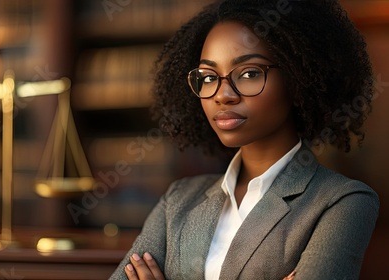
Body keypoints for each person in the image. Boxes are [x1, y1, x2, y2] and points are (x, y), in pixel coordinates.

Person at [110, 0, 379, 279]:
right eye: (208, 76)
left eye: (249, 73)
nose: (222, 94)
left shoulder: (343, 201)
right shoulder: (178, 200)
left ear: (298, 77)